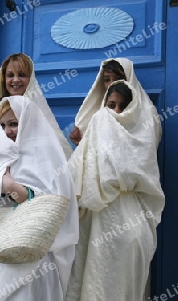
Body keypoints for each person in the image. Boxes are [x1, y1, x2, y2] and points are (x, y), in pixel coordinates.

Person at [0, 95, 79, 300]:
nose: (8, 131)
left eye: (14, 124)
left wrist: (10, 186)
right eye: (3, 125)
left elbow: (49, 203)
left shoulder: (46, 156)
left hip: (31, 251)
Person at [65, 78, 165, 300]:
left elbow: (137, 171)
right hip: (97, 220)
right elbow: (81, 174)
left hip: (131, 219)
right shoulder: (99, 123)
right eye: (111, 105)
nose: (115, 112)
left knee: (123, 281)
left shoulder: (141, 134)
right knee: (96, 279)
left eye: (123, 106)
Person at [0, 53, 72, 175]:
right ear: (3, 79)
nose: (15, 80)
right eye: (10, 75)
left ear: (30, 79)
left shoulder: (39, 110)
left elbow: (55, 152)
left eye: (21, 75)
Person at [69, 59, 127, 146]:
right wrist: (81, 144)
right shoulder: (94, 113)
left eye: (118, 79)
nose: (112, 84)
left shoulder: (144, 112)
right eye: (107, 80)